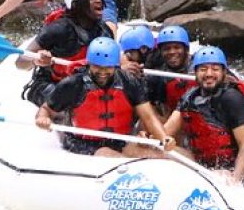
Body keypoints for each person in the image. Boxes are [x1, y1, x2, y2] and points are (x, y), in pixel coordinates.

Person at [35, 37, 176, 158]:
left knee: (161, 156)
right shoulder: (73, 84)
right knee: (107, 154)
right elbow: (46, 109)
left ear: (116, 66)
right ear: (89, 64)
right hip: (81, 142)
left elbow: (148, 117)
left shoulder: (129, 82)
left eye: (107, 68)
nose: (102, 72)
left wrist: (164, 137)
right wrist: (43, 118)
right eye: (97, 67)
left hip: (120, 140)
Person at [163, 46, 244, 190]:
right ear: (195, 72)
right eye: (203, 69)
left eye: (215, 69)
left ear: (224, 72)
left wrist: (234, 181)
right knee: (158, 150)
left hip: (241, 172)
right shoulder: (189, 97)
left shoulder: (232, 98)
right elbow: (166, 132)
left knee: (220, 176)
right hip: (205, 166)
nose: (209, 74)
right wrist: (157, 139)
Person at [19, 0, 113, 106]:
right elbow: (20, 62)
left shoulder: (104, 31)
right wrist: (36, 60)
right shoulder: (59, 29)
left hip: (85, 85)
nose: (98, 1)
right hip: (50, 85)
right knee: (68, 106)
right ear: (75, 4)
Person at [146, 25, 196, 119]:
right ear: (161, 51)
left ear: (186, 49)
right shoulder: (158, 75)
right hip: (171, 118)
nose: (172, 52)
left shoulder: (201, 66)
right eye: (167, 49)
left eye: (177, 47)